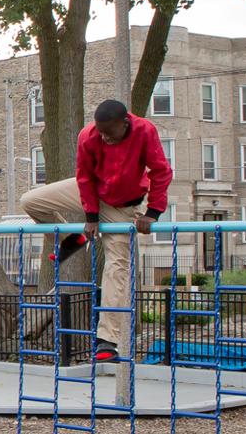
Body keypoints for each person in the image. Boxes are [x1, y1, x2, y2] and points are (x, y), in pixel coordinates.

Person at [19, 98, 171, 362]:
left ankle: (106, 341)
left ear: (124, 124)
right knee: (31, 201)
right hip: (90, 191)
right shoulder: (88, 136)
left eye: (110, 133)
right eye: (101, 132)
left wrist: (152, 213)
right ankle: (72, 239)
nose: (105, 138)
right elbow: (85, 176)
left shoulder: (145, 131)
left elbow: (161, 171)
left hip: (122, 207)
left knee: (117, 267)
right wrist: (90, 217)